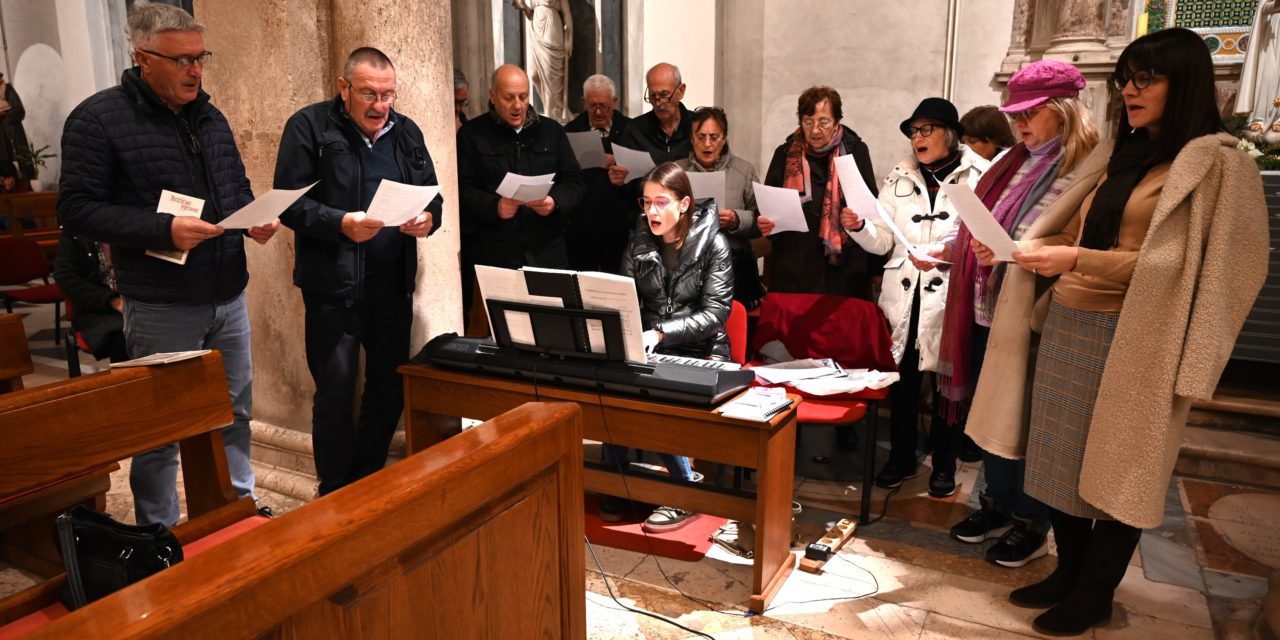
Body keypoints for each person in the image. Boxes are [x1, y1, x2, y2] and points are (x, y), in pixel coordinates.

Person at [972, 28, 1268, 635]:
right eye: (1127, 78)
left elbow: (1185, 266)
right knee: (1059, 463)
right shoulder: (1121, 156)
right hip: (1068, 326)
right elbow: (1077, 236)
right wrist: (1018, 250)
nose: (1129, 90)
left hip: (1135, 338)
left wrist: (1075, 261)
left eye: (1145, 79)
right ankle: (1069, 575)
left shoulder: (1216, 164)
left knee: (1115, 474)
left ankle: (1094, 594)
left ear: (1181, 84)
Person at [58, 3, 280, 526]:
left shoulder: (210, 113)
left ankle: (237, 512)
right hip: (161, 302)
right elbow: (76, 210)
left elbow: (233, 188)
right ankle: (161, 532)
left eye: (200, 57)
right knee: (161, 432)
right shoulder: (98, 119)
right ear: (142, 58)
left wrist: (252, 220)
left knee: (234, 414)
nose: (195, 70)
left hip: (227, 294)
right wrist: (164, 229)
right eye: (182, 61)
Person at [938, 59, 1100, 569]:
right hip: (993, 303)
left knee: (1029, 420)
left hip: (1039, 312)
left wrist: (1012, 249)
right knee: (993, 414)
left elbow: (1079, 238)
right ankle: (998, 502)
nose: (1020, 124)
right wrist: (979, 247)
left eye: (1031, 113)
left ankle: (1032, 518)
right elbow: (1001, 226)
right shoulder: (1018, 160)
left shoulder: (1087, 167)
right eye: (1017, 114)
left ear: (1064, 111)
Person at [274, 47, 442, 496]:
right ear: (344, 87)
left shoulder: (407, 133)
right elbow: (288, 202)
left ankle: (366, 479)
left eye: (387, 94)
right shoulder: (309, 127)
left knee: (388, 389)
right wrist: (342, 224)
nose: (380, 105)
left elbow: (432, 196)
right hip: (333, 285)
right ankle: (333, 488)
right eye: (369, 93)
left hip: (391, 284)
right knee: (335, 391)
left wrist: (428, 220)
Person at [841, 98, 987, 496]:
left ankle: (943, 465)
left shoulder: (979, 176)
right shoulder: (899, 177)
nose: (917, 138)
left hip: (950, 297)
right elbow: (882, 240)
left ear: (949, 134)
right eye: (913, 131)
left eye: (926, 130)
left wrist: (946, 254)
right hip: (905, 296)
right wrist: (858, 227)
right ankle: (902, 458)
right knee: (903, 385)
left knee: (946, 390)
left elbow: (983, 240)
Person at [601, 162, 733, 532]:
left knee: (657, 392)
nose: (652, 212)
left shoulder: (715, 245)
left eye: (661, 202)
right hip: (653, 347)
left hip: (703, 350)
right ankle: (616, 479)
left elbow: (715, 315)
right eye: (646, 203)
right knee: (609, 385)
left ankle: (684, 487)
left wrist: (659, 333)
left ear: (685, 203)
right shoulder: (639, 242)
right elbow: (624, 300)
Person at [457, 64, 585, 324]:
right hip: (496, 254)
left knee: (553, 330)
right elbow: (460, 189)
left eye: (524, 97)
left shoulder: (551, 131)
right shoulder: (472, 135)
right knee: (500, 332)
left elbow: (575, 182)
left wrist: (554, 201)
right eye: (509, 97)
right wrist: (494, 206)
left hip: (546, 252)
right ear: (492, 96)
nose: (518, 105)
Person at [762, 86, 881, 300]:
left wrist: (876, 270)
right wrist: (764, 223)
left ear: (836, 122)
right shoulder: (785, 153)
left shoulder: (855, 151)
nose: (815, 130)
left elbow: (872, 211)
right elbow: (767, 209)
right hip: (794, 270)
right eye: (808, 122)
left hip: (843, 272)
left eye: (823, 122)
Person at [676, 106, 765, 308]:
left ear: (724, 138)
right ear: (691, 138)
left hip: (734, 265)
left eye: (714, 137)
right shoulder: (677, 171)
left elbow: (762, 221)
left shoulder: (744, 171)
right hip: (688, 266)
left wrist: (736, 219)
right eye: (701, 137)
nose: (707, 144)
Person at [563, 73, 632, 273]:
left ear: (615, 102)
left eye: (605, 106)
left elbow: (642, 174)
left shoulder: (630, 129)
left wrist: (621, 165)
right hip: (581, 227)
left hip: (618, 225)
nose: (599, 112)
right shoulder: (570, 131)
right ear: (584, 103)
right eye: (593, 106)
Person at [608, 63, 692, 189]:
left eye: (664, 95)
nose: (659, 103)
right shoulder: (635, 130)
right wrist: (618, 179)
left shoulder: (696, 127)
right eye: (653, 96)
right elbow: (624, 185)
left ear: (681, 91)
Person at [52, 233, 129, 363]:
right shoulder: (74, 233)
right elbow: (66, 278)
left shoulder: (130, 224)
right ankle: (129, 381)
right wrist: (112, 301)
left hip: (139, 299)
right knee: (122, 336)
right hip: (98, 308)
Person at [513, 0, 573, 122]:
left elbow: (567, 13)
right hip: (536, 29)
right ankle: (550, 109)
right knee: (534, 74)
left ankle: (554, 114)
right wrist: (524, 7)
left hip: (551, 29)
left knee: (551, 76)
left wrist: (569, 39)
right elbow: (531, 14)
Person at [0, 72, 29, 188]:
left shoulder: (9, 91)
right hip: (2, 139)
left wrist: (5, 114)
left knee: (20, 162)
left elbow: (20, 111)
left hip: (14, 134)